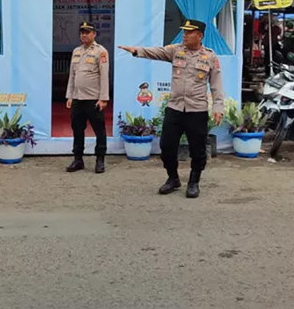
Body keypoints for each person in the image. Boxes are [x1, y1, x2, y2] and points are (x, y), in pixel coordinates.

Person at [118, 19, 224, 198]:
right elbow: (157, 52)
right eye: (184, 31)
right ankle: (173, 178)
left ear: (199, 36)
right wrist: (137, 51)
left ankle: (193, 182)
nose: (185, 35)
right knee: (166, 146)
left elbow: (216, 84)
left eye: (189, 32)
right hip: (175, 108)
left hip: (196, 110)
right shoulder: (176, 51)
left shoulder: (210, 57)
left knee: (198, 150)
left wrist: (218, 106)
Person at [65, 21, 110, 174]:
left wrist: (103, 98)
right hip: (77, 98)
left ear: (94, 34)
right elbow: (72, 75)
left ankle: (100, 159)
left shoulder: (101, 51)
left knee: (99, 130)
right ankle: (78, 159)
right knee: (77, 130)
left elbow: (104, 77)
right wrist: (70, 96)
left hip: (93, 99)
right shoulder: (76, 51)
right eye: (82, 32)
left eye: (87, 32)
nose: (84, 35)